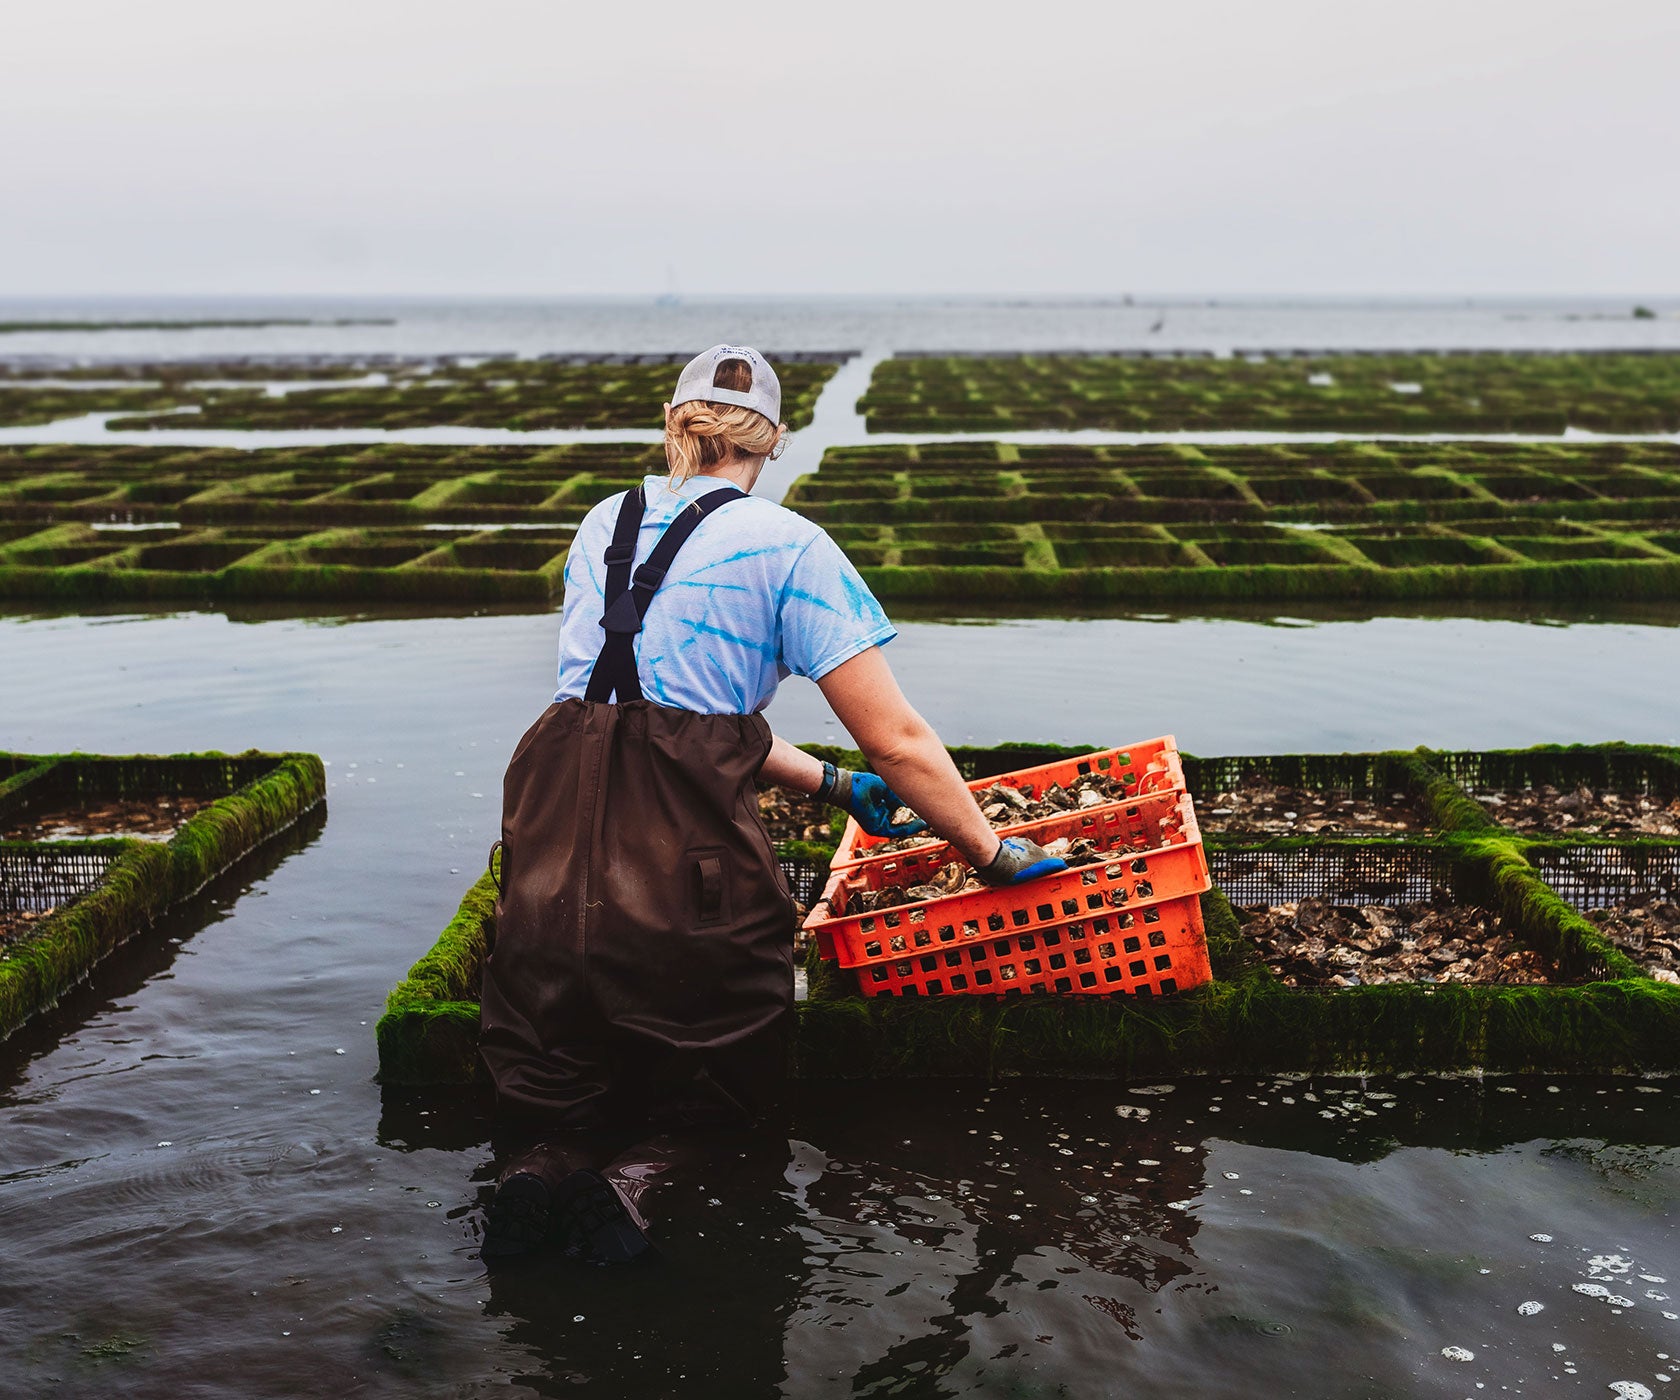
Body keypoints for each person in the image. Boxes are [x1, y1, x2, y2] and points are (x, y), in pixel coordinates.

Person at [476, 344, 1065, 1264]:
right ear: (776, 441)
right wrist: (988, 852)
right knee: (722, 1081)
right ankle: (639, 1189)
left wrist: (831, 785)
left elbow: (658, 712)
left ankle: (538, 1172)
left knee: (562, 1082)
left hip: (552, 857)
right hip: (677, 881)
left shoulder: (603, 524)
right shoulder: (788, 545)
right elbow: (897, 740)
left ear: (674, 424)